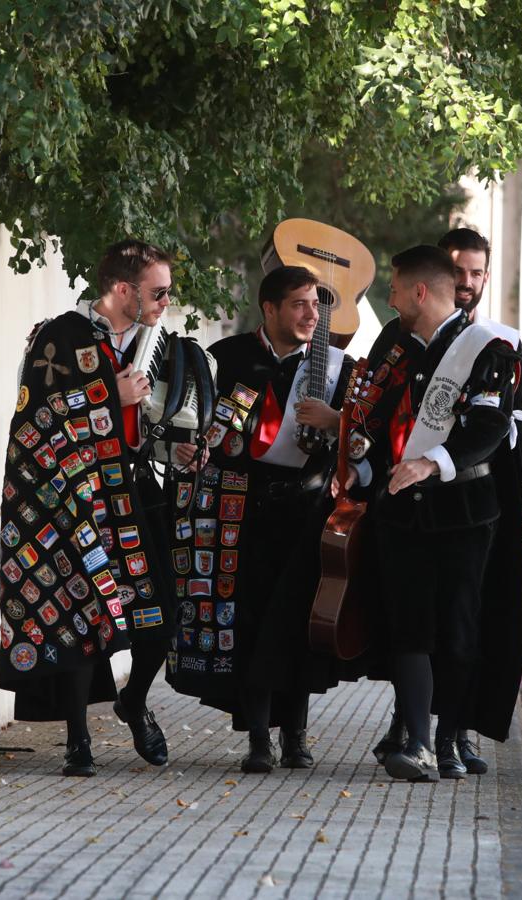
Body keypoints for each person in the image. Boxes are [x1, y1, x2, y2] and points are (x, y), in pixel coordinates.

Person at [0, 239, 187, 776]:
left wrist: (177, 444)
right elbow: (33, 424)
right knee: (82, 619)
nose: (165, 301)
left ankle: (135, 702)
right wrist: (107, 394)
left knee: (161, 619)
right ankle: (78, 741)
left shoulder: (157, 340)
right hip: (78, 500)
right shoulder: (59, 337)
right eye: (158, 291)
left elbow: (161, 417)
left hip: (137, 490)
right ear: (123, 289)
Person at [369, 229, 522, 778]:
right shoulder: (394, 346)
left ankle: (450, 738)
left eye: (395, 289)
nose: (390, 300)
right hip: (402, 509)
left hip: (468, 509)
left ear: (419, 291)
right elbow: (373, 417)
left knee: (460, 630)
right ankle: (417, 742)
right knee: (409, 628)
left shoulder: (491, 347)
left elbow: (496, 427)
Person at [165, 265, 352, 773]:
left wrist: (336, 424)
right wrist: (186, 451)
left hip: (307, 510)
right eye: (299, 304)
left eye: (316, 304)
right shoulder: (228, 359)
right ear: (269, 309)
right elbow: (194, 424)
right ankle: (256, 740)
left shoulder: (337, 368)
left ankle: (296, 735)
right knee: (246, 620)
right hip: (240, 509)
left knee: (295, 622)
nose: (311, 314)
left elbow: (362, 438)